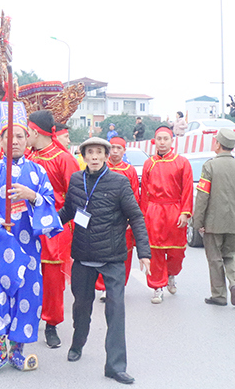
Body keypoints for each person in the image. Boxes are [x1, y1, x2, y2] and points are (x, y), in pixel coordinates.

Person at [0, 101, 63, 376]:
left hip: (27, 250)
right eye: (8, 136)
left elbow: (50, 203)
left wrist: (32, 196)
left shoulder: (37, 173)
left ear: (28, 139)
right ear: (0, 140)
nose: (14, 141)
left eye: (20, 136)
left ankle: (18, 352)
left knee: (26, 298)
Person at [60, 137, 151, 386]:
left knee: (116, 311)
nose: (95, 157)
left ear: (106, 155)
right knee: (81, 306)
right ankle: (77, 344)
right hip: (83, 256)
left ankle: (115, 366)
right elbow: (67, 212)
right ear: (84, 156)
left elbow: (136, 217)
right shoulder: (76, 180)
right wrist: (42, 224)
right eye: (90, 152)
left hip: (112, 258)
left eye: (99, 152)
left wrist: (144, 252)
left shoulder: (120, 182)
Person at [27, 109, 80, 348]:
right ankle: (27, 316)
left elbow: (76, 196)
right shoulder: (28, 157)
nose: (24, 136)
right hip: (27, 226)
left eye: (27, 131)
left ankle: (51, 324)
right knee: (28, 273)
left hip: (54, 227)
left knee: (52, 279)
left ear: (37, 132)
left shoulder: (63, 158)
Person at [193, 129, 235, 306]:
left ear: (218, 144)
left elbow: (203, 196)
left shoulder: (209, 166)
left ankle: (219, 295)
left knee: (215, 258)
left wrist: (198, 221)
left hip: (213, 222)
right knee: (233, 254)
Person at [140, 126, 193, 304]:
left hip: (175, 210)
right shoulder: (149, 163)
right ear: (154, 141)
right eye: (159, 139)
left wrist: (185, 213)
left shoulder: (182, 162)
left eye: (166, 139)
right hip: (154, 211)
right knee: (155, 251)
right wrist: (142, 215)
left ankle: (171, 274)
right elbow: (144, 193)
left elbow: (187, 189)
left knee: (176, 252)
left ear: (172, 141)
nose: (162, 142)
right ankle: (157, 287)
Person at [96, 137, 140, 294]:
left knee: (124, 252)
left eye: (118, 148)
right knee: (102, 250)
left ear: (124, 151)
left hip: (122, 219)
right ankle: (103, 287)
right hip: (102, 218)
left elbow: (135, 195)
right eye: (112, 147)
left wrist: (130, 216)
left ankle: (119, 285)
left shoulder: (130, 171)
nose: (115, 151)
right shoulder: (100, 168)